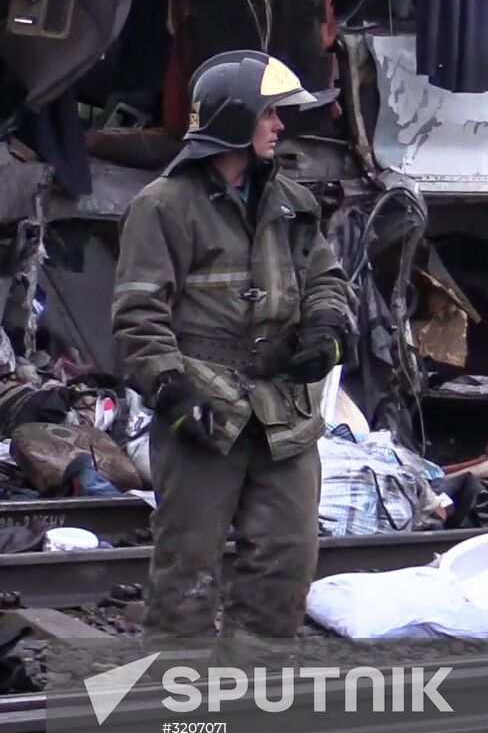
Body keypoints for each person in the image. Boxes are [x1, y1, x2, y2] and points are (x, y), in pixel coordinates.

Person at [111, 50, 356, 642]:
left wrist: (325, 329)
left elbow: (326, 279)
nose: (280, 126)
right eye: (270, 113)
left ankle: (251, 705)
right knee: (187, 571)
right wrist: (174, 391)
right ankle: (181, 712)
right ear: (234, 117)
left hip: (284, 414)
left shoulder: (292, 202)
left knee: (286, 560)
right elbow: (138, 314)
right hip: (204, 412)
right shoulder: (163, 207)